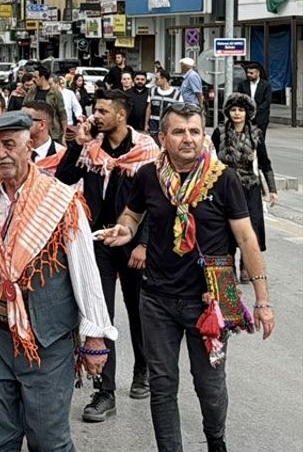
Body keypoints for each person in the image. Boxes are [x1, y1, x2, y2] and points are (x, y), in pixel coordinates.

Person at [0, 111, 116, 452]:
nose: (0, 154)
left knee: (48, 440)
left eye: (9, 144)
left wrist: (94, 336)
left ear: (29, 145)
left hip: (47, 340)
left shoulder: (60, 200)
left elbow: (85, 269)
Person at [99, 103, 274, 452]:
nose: (188, 139)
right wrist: (125, 229)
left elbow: (246, 239)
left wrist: (263, 301)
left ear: (204, 135)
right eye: (179, 131)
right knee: (162, 385)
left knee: (210, 385)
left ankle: (216, 441)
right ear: (163, 137)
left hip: (213, 297)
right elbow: (132, 215)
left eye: (195, 131)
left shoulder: (223, 178)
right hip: (157, 298)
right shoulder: (149, 175)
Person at [56, 88, 159, 419]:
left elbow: (154, 201)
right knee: (99, 313)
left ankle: (143, 369)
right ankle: (105, 392)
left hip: (132, 242)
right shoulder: (91, 148)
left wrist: (143, 244)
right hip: (97, 240)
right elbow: (63, 177)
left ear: (121, 115)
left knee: (138, 311)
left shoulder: (146, 149)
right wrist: (77, 144)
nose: (95, 116)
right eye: (95, 110)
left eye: (102, 111)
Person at [211, 93, 277, 280]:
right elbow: (210, 159)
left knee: (252, 225)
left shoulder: (256, 134)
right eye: (233, 109)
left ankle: (246, 264)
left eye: (241, 110)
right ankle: (229, 264)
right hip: (226, 185)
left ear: (247, 112)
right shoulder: (219, 133)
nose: (237, 113)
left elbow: (265, 162)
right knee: (226, 226)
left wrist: (272, 190)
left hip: (250, 187)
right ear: (228, 112)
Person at [22, 100, 66, 172]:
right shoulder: (15, 152)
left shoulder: (62, 156)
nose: (20, 124)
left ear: (42, 125)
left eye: (25, 120)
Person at [24, 66, 67, 135]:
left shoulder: (55, 93)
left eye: (36, 77)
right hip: (32, 130)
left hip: (51, 132)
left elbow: (62, 114)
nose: (33, 79)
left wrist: (64, 133)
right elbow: (24, 107)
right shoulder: (32, 91)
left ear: (42, 78)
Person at [235, 62, 271, 137]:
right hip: (246, 117)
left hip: (261, 117)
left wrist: (256, 110)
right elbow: (239, 98)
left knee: (260, 139)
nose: (249, 75)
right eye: (247, 73)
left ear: (258, 73)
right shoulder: (242, 84)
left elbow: (267, 101)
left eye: (251, 73)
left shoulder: (266, 85)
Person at [148, 70, 181, 136]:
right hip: (154, 126)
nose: (155, 81)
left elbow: (179, 112)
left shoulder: (176, 94)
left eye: (157, 79)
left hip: (168, 126)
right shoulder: (152, 91)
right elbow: (148, 109)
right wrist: (146, 124)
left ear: (164, 79)